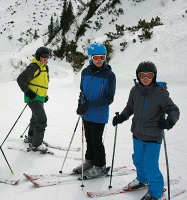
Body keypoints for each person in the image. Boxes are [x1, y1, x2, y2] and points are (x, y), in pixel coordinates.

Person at [112, 61, 180, 200]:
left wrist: (169, 122)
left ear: (154, 76)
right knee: (137, 160)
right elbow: (130, 107)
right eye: (142, 76)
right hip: (137, 134)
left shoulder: (160, 93)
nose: (146, 79)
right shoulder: (135, 90)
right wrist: (122, 117)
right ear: (138, 76)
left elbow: (173, 110)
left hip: (153, 137)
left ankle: (156, 192)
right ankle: (142, 180)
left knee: (151, 166)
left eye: (149, 76)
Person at [73, 43, 116, 178]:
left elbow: (109, 98)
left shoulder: (109, 75)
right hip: (86, 113)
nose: (99, 60)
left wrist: (89, 104)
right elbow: (82, 91)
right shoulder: (85, 72)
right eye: (96, 57)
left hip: (99, 114)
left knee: (96, 141)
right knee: (89, 139)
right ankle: (90, 161)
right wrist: (81, 104)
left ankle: (100, 165)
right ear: (90, 58)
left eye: (102, 57)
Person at [17, 46, 50, 153]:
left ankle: (32, 138)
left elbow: (42, 83)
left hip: (40, 97)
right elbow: (20, 79)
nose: (45, 58)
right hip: (33, 97)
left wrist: (45, 95)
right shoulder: (34, 67)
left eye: (47, 56)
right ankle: (36, 144)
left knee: (35, 118)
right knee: (42, 120)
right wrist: (27, 91)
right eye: (43, 56)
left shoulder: (45, 67)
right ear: (38, 56)